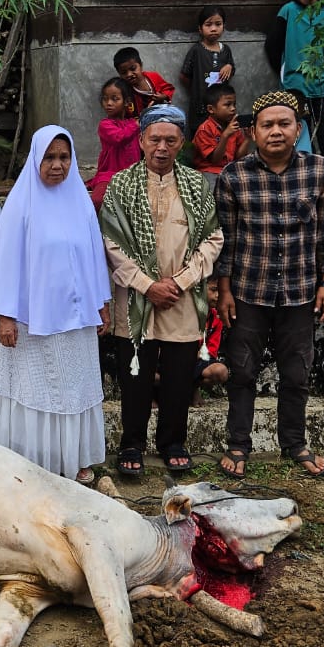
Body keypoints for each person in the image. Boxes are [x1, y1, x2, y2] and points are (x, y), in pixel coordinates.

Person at [215, 92, 324, 479]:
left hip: (300, 291)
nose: (275, 131)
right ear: (253, 131)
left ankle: (295, 443)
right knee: (242, 372)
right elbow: (226, 239)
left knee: (297, 373)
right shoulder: (234, 176)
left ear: (298, 129)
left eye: (283, 124)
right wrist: (222, 291)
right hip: (248, 292)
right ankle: (238, 445)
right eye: (266, 125)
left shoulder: (317, 170)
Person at [100, 106, 223, 477]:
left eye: (170, 140)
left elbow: (213, 239)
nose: (162, 147)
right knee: (135, 378)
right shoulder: (121, 186)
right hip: (137, 301)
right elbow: (109, 242)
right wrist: (147, 285)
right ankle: (131, 444)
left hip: (182, 299)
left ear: (181, 143)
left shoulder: (197, 184)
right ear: (141, 141)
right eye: (154, 139)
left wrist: (180, 282)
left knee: (178, 377)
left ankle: (173, 443)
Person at [0, 126, 111, 484]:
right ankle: (34, 460)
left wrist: (101, 304)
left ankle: (74, 458)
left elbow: (94, 257)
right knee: (37, 388)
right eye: (49, 157)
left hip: (77, 320)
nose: (57, 165)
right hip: (32, 322)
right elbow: (7, 262)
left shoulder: (80, 203)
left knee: (76, 387)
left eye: (64, 157)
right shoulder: (20, 206)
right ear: (35, 159)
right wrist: (5, 317)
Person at [264, 0, 324, 164]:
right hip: (296, 80)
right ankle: (305, 162)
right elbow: (273, 45)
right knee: (300, 122)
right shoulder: (288, 11)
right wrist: (284, 69)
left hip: (322, 79)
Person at [179, 5, 236, 138]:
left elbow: (231, 71)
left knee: (222, 135)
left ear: (223, 26)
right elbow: (184, 76)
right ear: (200, 28)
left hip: (222, 105)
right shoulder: (197, 50)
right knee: (200, 136)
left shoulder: (226, 50)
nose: (213, 28)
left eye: (218, 24)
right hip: (200, 105)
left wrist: (229, 66)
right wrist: (196, 89)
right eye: (208, 24)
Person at [88, 76, 140, 208]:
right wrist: (137, 125)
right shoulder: (105, 125)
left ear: (127, 102)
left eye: (114, 99)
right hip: (109, 175)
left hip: (132, 175)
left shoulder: (132, 123)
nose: (109, 103)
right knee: (98, 201)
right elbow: (119, 138)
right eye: (105, 99)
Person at [191, 83, 248, 176]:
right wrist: (225, 135)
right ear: (211, 109)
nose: (233, 108)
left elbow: (239, 157)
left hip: (230, 170)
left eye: (234, 104)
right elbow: (215, 161)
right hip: (209, 171)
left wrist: (247, 138)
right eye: (227, 105)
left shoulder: (234, 127)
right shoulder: (205, 129)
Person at [113, 47, 175, 117]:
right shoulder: (125, 90)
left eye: (133, 69)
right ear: (119, 74)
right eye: (124, 72)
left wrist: (163, 96)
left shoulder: (154, 76)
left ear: (141, 65)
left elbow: (168, 88)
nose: (129, 74)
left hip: (163, 114)